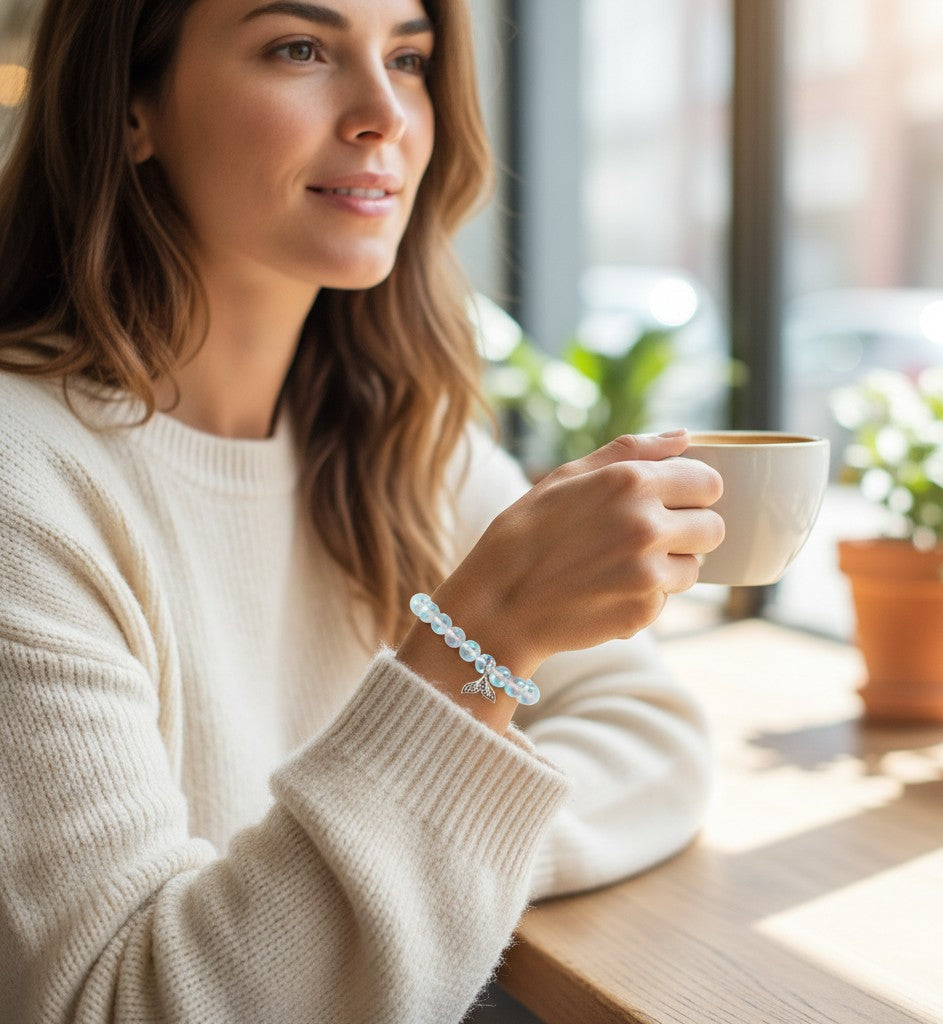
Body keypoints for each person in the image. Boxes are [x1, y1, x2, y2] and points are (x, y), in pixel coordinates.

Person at [0, 0, 725, 1020]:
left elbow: (654, 735)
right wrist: (480, 641)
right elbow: (127, 999)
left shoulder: (402, 438)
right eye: (299, 48)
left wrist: (407, 874)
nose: (384, 112)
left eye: (410, 58)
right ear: (130, 107)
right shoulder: (25, 485)